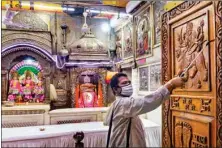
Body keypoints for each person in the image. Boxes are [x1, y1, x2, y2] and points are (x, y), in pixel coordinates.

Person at [104, 72, 185, 147]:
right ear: (115, 89)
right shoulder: (123, 103)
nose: (128, 85)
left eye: (129, 82)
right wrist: (171, 84)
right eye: (124, 83)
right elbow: (148, 101)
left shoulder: (118, 103)